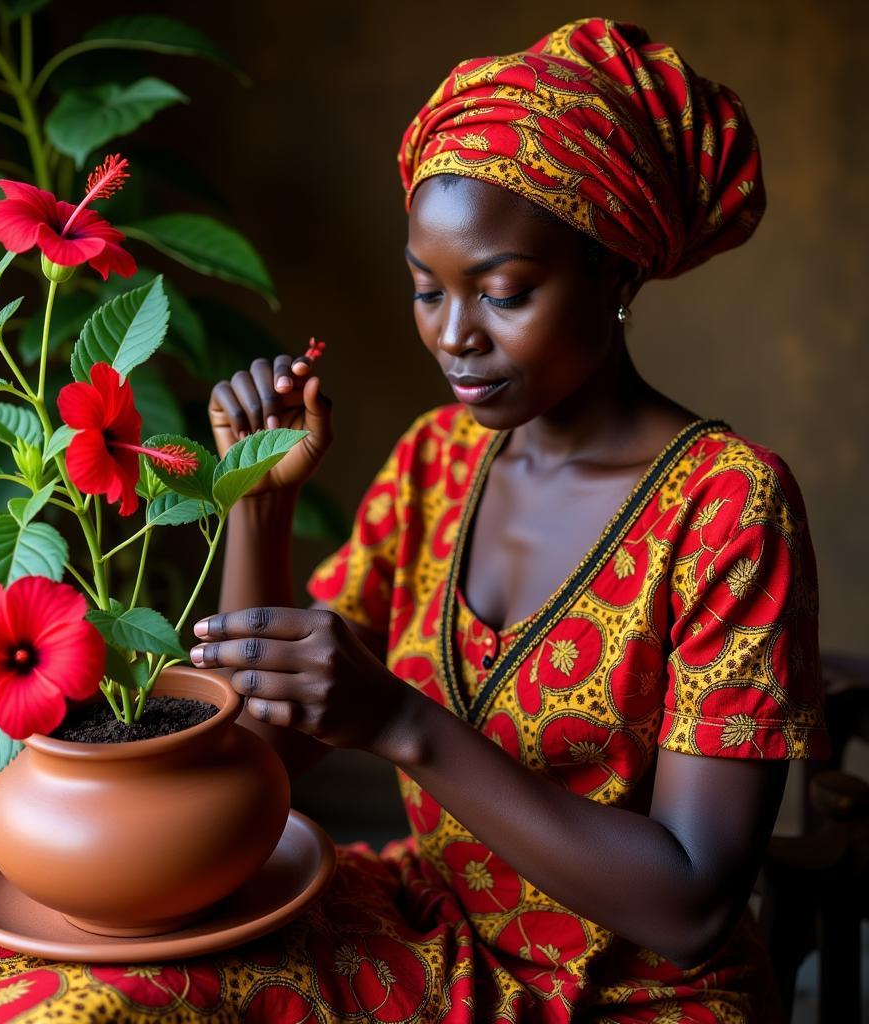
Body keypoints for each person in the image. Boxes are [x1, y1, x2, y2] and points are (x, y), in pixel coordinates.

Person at [193, 16, 829, 1023]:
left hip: (632, 995)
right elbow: (263, 758)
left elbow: (694, 903)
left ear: (616, 272)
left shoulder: (726, 506)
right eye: (423, 288)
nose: (453, 336)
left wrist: (405, 724)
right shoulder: (434, 462)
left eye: (503, 292)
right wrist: (257, 504)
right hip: (432, 930)